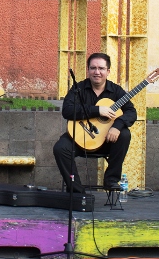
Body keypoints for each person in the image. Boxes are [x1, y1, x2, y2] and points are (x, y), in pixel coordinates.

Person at [53, 53, 136, 192]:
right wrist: (97, 110)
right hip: (78, 139)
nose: (97, 72)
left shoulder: (116, 91)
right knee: (60, 148)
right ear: (88, 70)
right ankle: (77, 191)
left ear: (108, 71)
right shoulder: (78, 88)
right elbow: (67, 110)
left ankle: (111, 180)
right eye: (93, 68)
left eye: (101, 68)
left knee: (124, 134)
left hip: (105, 141)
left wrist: (117, 126)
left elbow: (131, 112)